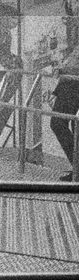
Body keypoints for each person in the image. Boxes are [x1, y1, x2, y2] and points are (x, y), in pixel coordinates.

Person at [51, 44, 79, 181]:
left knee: (68, 126)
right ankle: (77, 169)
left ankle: (78, 170)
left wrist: (62, 69)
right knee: (59, 124)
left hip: (74, 85)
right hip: (68, 85)